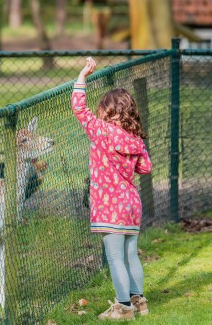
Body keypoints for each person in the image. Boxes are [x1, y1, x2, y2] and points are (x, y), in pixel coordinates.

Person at [71, 57, 152, 321]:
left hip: (110, 205)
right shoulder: (135, 139)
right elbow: (145, 168)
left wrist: (83, 76)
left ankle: (123, 307)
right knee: (131, 255)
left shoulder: (102, 132)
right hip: (131, 203)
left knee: (115, 257)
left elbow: (80, 109)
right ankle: (139, 301)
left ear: (106, 112)